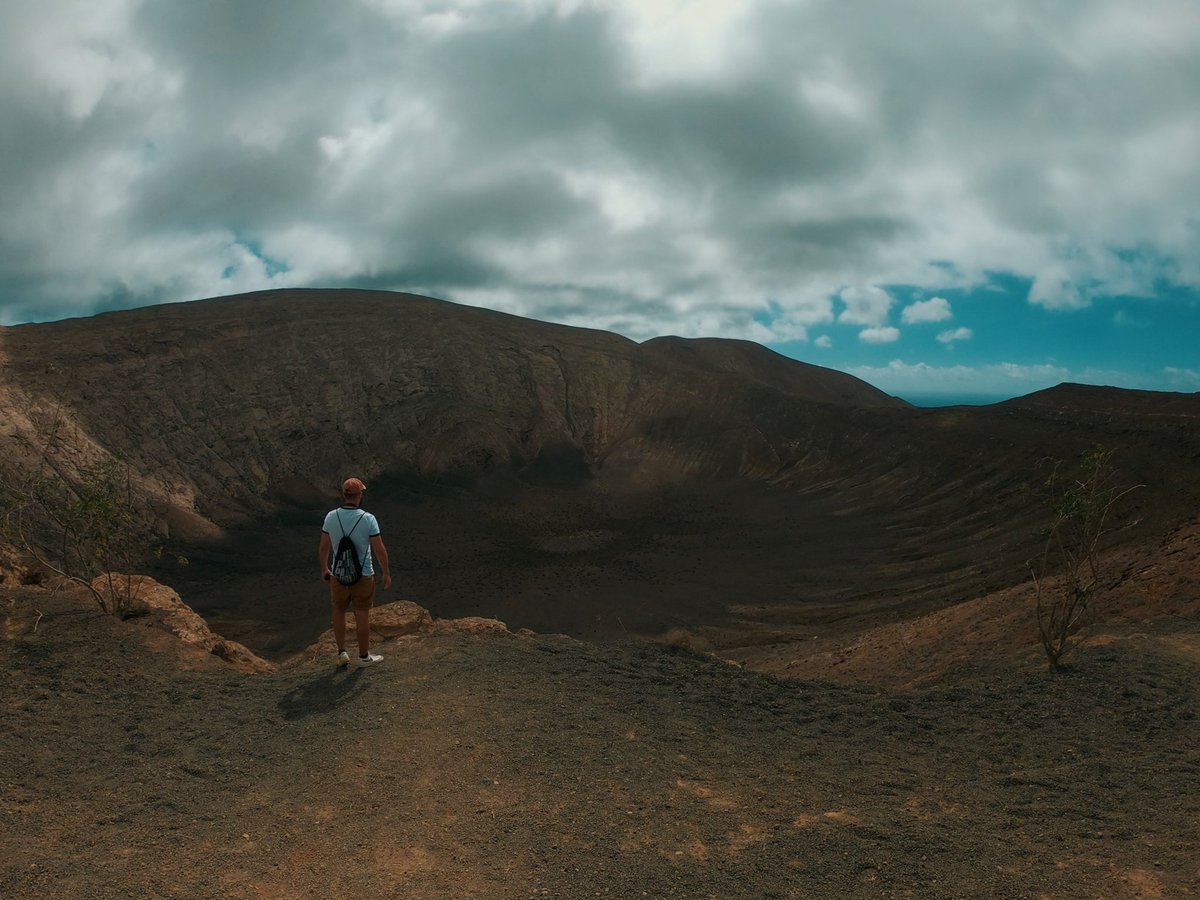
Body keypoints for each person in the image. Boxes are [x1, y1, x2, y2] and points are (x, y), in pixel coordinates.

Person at [318, 477, 392, 667]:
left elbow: (323, 547)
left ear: (344, 495)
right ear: (359, 495)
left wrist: (325, 568)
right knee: (362, 613)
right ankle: (363, 656)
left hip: (338, 574)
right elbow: (380, 549)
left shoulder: (331, 517)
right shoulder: (368, 519)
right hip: (364, 575)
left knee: (338, 610)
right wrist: (386, 573)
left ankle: (342, 652)